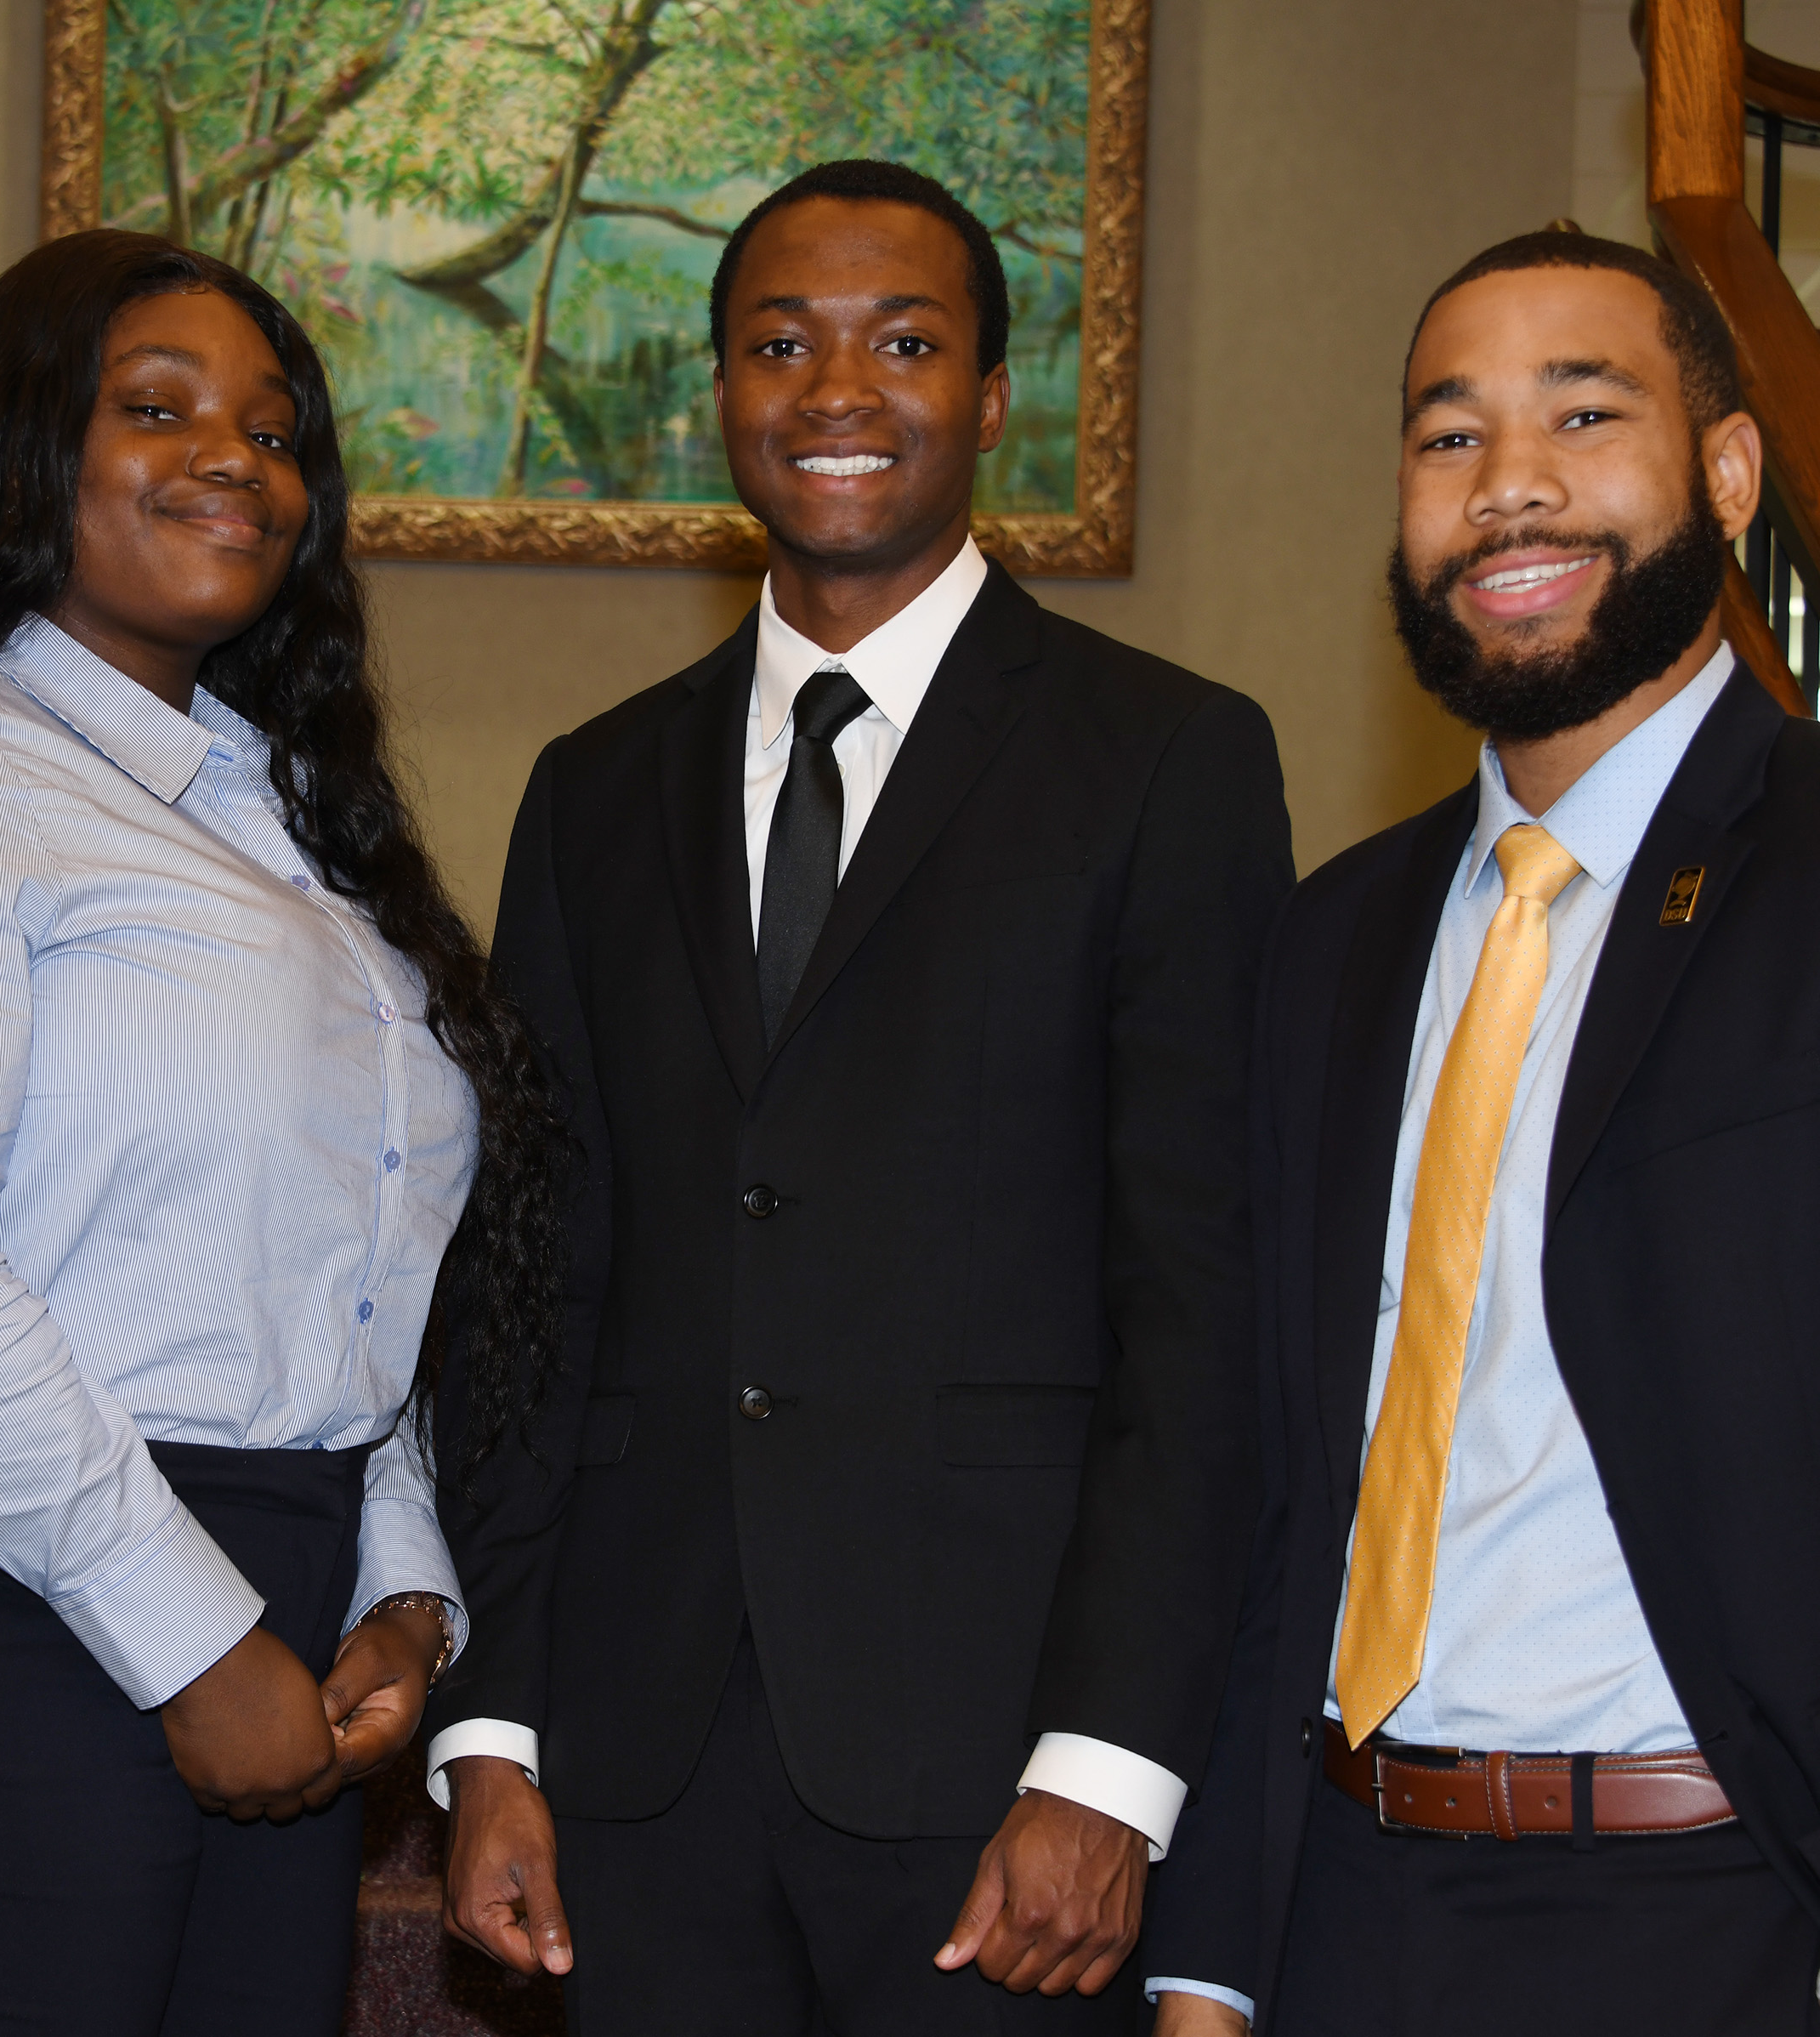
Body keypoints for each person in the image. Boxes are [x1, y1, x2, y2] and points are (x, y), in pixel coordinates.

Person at [1143, 230, 1820, 2036]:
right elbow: (1283, 1492)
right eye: (1448, 438)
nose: (1511, 489)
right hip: (1354, 1913)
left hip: (1765, 1921)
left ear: (1723, 472)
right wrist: (1213, 1958)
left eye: (1582, 412)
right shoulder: (1331, 940)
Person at [430, 158, 1294, 2032]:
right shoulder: (589, 794)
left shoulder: (1167, 764)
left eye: (902, 342)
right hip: (631, 1776)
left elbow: (1200, 1311)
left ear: (990, 400)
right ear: (718, 396)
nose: (836, 390)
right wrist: (490, 1722)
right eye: (778, 344)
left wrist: (1108, 1763)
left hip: (997, 1772)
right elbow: (525, 1285)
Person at [0, 227, 560, 2036]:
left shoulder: (301, 833)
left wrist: (399, 1593)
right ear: (21, 447)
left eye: (272, 429)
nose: (233, 458)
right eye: (156, 408)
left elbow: (349, 1291)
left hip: (277, 1617)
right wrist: (192, 1636)